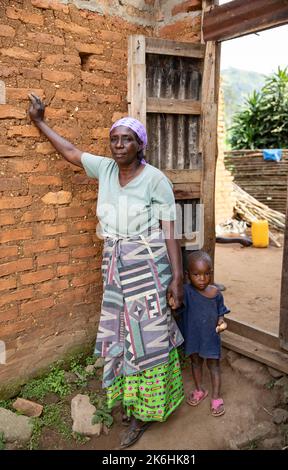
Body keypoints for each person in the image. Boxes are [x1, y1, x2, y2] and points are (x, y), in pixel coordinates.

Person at [28, 94, 185, 448]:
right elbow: (70, 152)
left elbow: (171, 230)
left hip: (147, 265)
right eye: (114, 139)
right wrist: (39, 122)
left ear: (140, 144)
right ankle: (129, 401)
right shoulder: (105, 168)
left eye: (126, 139)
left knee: (149, 335)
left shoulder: (156, 179)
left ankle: (148, 409)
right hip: (114, 264)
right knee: (122, 333)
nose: (118, 145)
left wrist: (177, 278)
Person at [177, 250, 230, 417]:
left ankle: (216, 397)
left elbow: (220, 312)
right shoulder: (185, 292)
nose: (202, 279)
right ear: (187, 275)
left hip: (210, 338)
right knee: (196, 363)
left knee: (214, 366)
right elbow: (176, 308)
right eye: (196, 274)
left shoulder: (215, 294)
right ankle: (200, 390)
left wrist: (221, 322)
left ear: (211, 273)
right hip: (193, 337)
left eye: (207, 274)